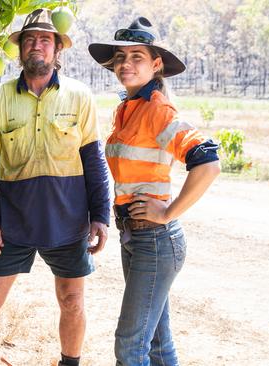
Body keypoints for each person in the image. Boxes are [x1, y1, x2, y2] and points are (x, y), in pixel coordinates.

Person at [0, 9, 111, 366]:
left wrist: (101, 216)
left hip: (68, 221)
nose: (37, 46)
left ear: (57, 49)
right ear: (20, 50)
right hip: (11, 223)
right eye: (30, 39)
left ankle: (70, 362)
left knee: (72, 301)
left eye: (45, 40)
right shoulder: (0, 98)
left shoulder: (80, 96)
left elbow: (94, 160)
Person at [88, 17, 220, 365]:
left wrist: (167, 212)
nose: (125, 64)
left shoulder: (157, 110)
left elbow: (208, 162)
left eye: (137, 56)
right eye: (120, 57)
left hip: (157, 240)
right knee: (158, 343)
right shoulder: (127, 109)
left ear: (156, 64)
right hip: (135, 237)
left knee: (130, 347)